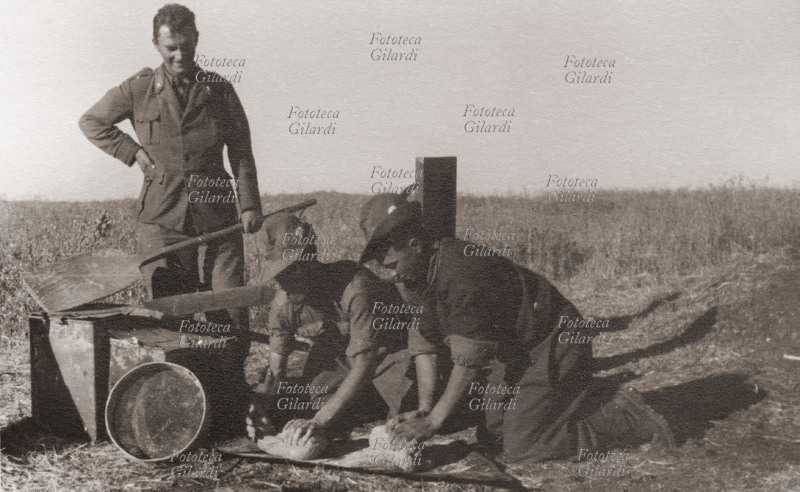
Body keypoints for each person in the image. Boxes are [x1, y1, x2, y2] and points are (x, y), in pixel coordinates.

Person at [357, 191, 676, 463]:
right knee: (495, 432)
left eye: (392, 265)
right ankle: (579, 396)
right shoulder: (411, 277)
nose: (392, 276)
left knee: (524, 446)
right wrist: (426, 409)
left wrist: (435, 422)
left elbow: (470, 356)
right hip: (513, 351)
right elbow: (424, 345)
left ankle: (630, 417)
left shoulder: (463, 270)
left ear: (415, 245)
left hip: (553, 338)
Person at [78, 4, 263, 440]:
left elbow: (242, 152)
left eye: (187, 46)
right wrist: (134, 153)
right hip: (162, 217)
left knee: (229, 304)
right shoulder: (140, 87)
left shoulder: (218, 89)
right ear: (158, 45)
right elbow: (92, 121)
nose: (181, 55)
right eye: (171, 47)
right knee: (172, 310)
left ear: (197, 41)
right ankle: (180, 403)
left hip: (218, 216)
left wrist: (249, 204)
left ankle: (230, 398)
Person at [247, 213, 436, 448]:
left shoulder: (356, 289)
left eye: (291, 270)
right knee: (315, 398)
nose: (284, 282)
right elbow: (276, 371)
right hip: (343, 357)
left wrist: (319, 421)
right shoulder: (283, 303)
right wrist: (260, 407)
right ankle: (357, 402)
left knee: (403, 410)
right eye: (279, 274)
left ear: (310, 260)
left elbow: (366, 361)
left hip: (390, 351)